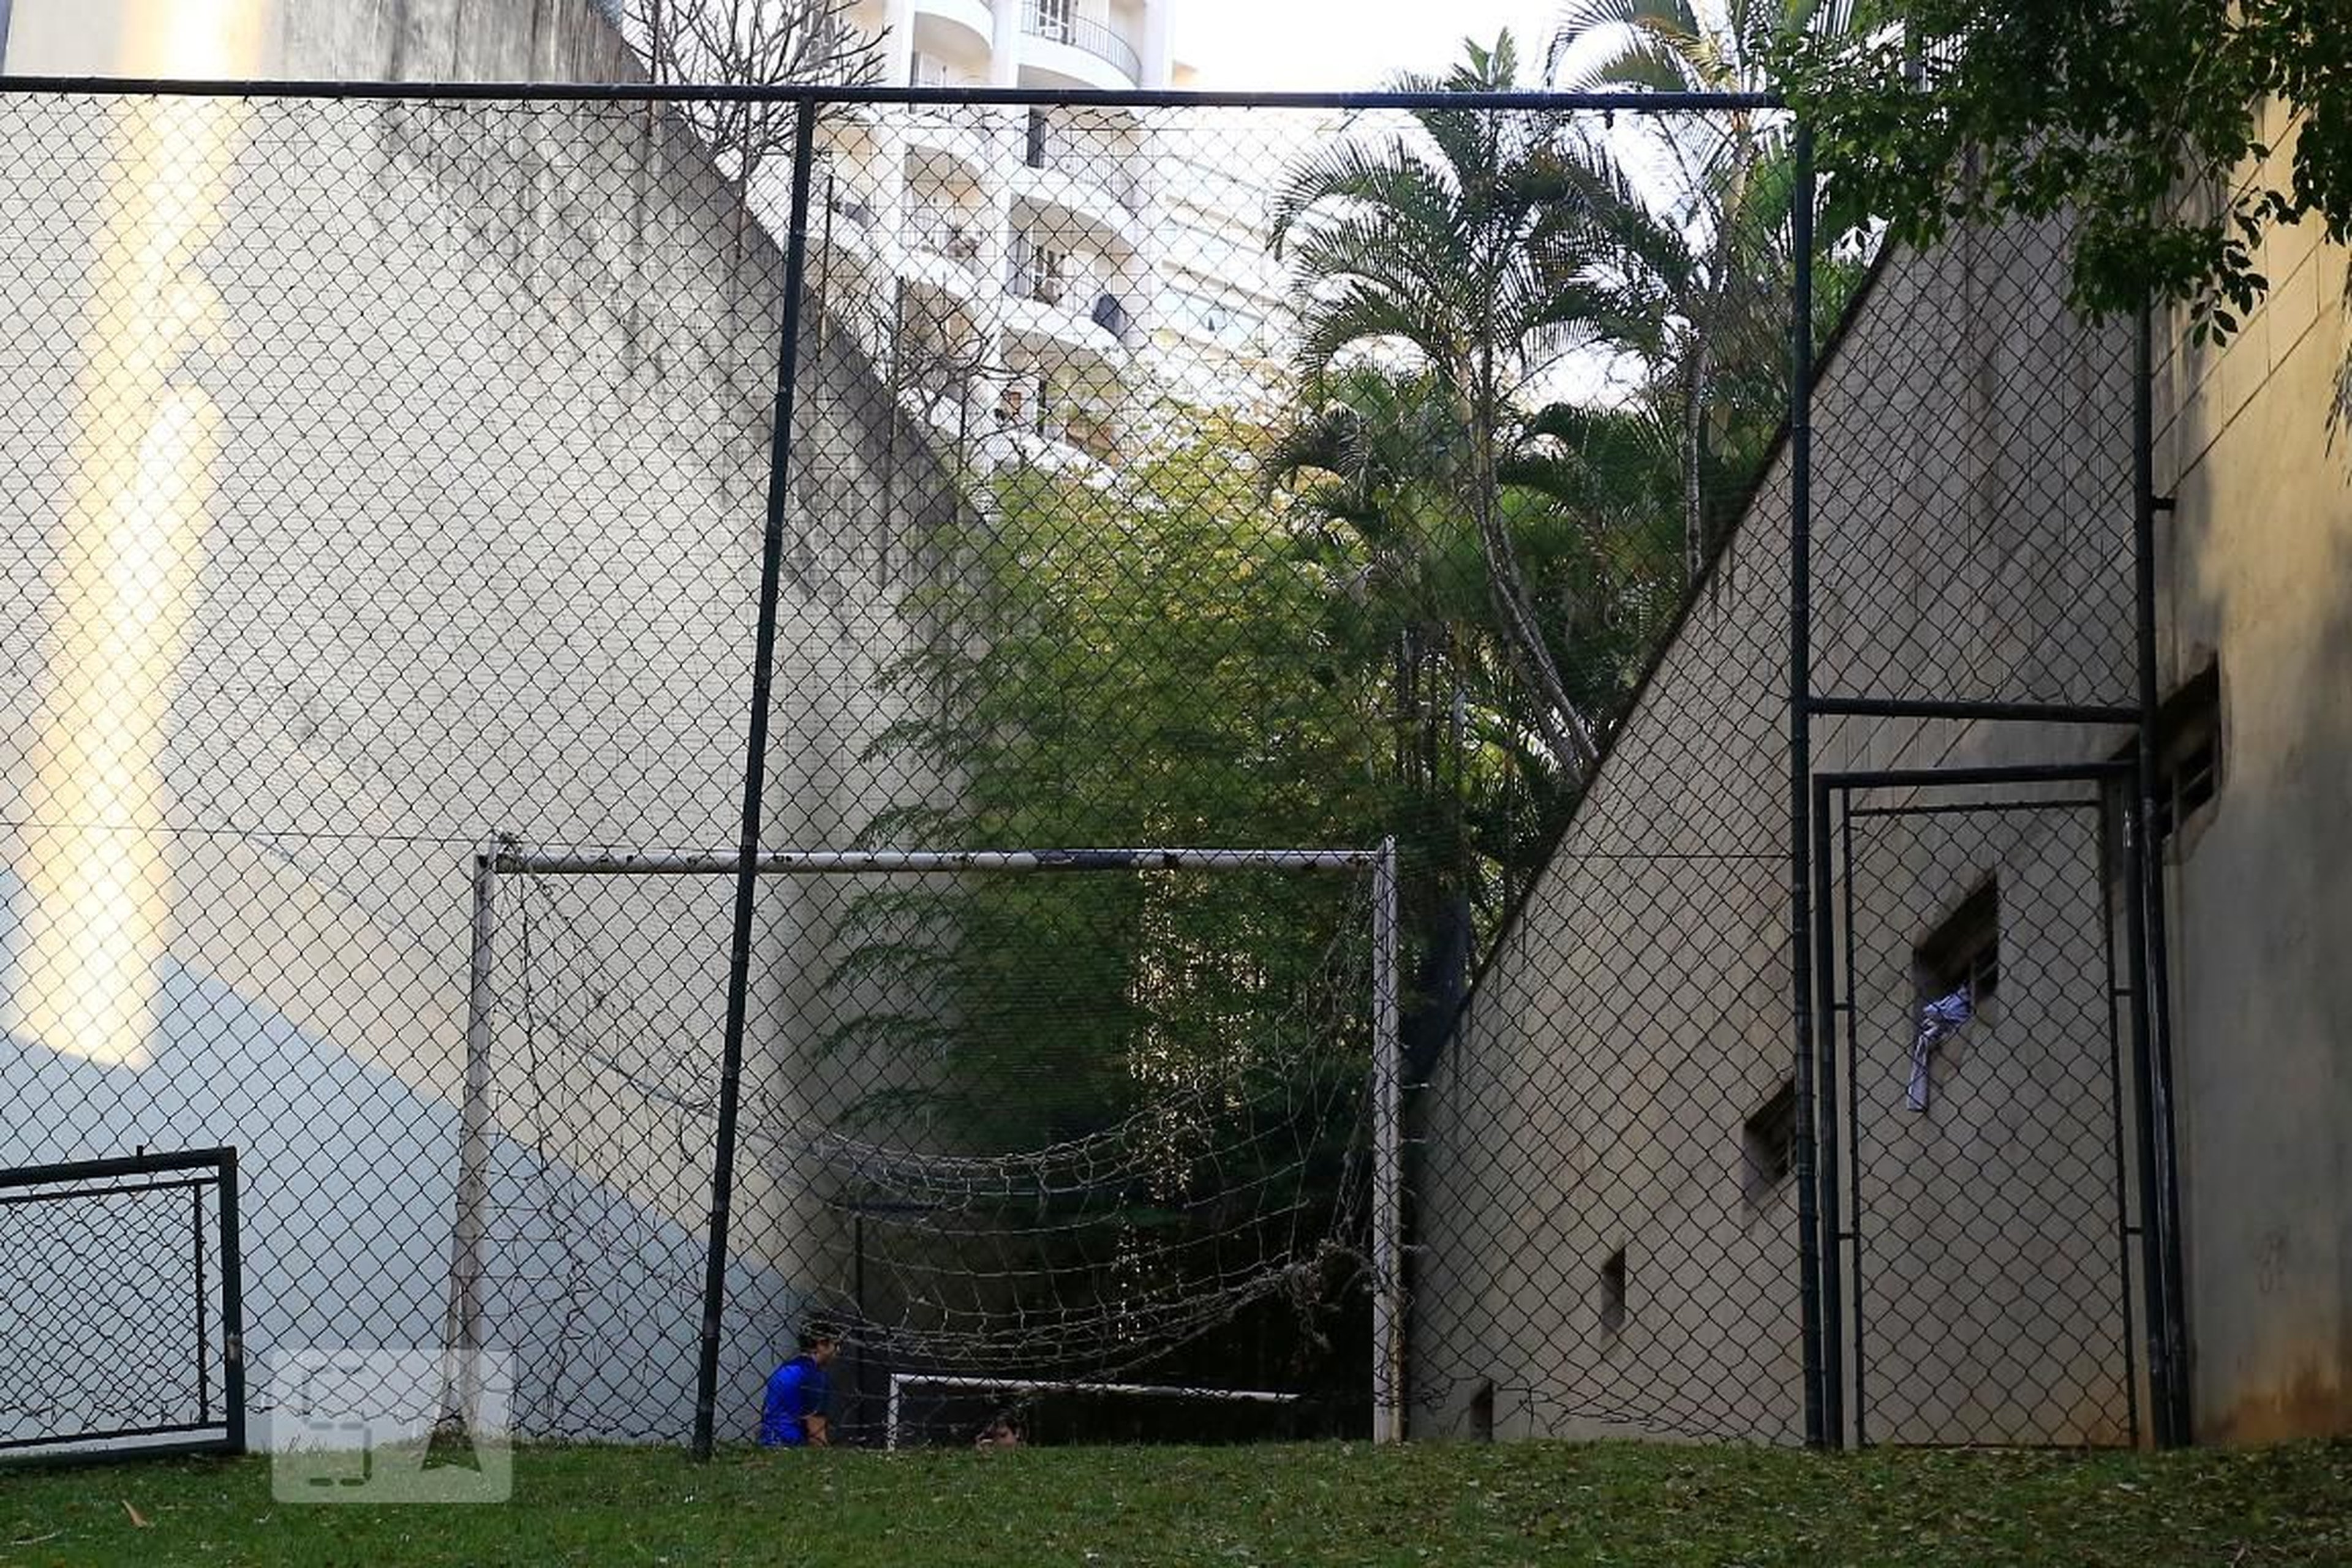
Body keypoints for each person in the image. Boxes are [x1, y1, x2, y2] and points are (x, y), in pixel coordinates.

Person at [758, 1323, 840, 1447]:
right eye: (836, 1345)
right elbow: (816, 1428)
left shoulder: (789, 1367)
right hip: (791, 1442)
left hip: (769, 1439)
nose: (838, 1351)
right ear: (822, 1344)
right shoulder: (814, 1375)